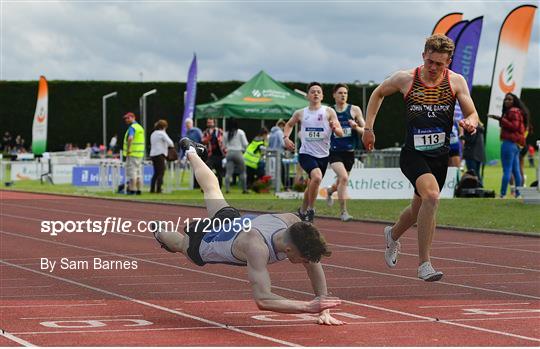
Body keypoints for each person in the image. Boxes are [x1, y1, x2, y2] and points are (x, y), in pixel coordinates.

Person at [152, 137, 343, 325]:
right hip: (207, 241)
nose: (307, 263)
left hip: (233, 223)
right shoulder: (256, 247)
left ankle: (192, 152)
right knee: (180, 245)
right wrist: (309, 307)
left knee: (213, 190)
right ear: (290, 249)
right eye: (304, 259)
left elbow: (314, 263)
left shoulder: (292, 221)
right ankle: (159, 230)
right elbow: (263, 299)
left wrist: (324, 305)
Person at [362, 34, 479, 281]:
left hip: (440, 155)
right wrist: (368, 128)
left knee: (419, 209)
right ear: (423, 56)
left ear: (448, 62)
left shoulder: (456, 82)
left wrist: (470, 122)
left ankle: (392, 235)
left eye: (440, 64)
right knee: (432, 196)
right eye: (431, 62)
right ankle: (424, 264)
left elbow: (473, 113)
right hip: (413, 154)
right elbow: (377, 93)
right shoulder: (406, 79)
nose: (434, 68)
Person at [284, 82, 343, 223]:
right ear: (308, 96)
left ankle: (302, 211)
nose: (315, 93)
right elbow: (289, 125)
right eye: (312, 91)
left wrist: (334, 128)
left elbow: (340, 133)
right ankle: (311, 209)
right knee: (316, 177)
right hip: (306, 153)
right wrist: (286, 138)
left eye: (318, 91)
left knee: (312, 184)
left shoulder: (329, 112)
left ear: (322, 95)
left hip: (323, 155)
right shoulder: (301, 113)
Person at [325, 83, 365, 222]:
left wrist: (355, 126)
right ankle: (343, 212)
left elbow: (365, 130)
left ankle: (330, 191)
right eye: (340, 93)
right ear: (334, 95)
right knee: (344, 178)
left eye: (345, 93)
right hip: (334, 151)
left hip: (349, 152)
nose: (343, 95)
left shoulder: (354, 110)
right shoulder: (329, 111)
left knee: (342, 181)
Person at [488, 93, 528, 198]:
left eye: (509, 99)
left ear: (514, 101)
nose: (507, 101)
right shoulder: (519, 112)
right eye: (505, 99)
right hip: (516, 145)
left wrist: (500, 119)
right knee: (516, 171)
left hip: (509, 143)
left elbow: (514, 126)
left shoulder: (512, 112)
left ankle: (502, 194)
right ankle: (518, 194)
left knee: (507, 170)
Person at [123, 112, 145, 195]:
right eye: (125, 118)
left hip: (132, 153)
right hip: (140, 153)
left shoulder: (132, 127)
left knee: (132, 172)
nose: (126, 120)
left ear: (133, 117)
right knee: (138, 172)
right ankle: (139, 190)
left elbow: (130, 138)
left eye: (128, 118)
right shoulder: (140, 127)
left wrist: (128, 149)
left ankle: (132, 189)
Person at [223, 118, 248, 193]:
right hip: (238, 153)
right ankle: (244, 189)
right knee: (242, 172)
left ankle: (227, 189)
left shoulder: (226, 133)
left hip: (229, 153)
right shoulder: (240, 132)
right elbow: (245, 144)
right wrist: (243, 150)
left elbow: (224, 145)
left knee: (228, 172)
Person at [150, 119, 174, 193]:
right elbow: (171, 143)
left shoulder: (153, 133)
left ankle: (152, 189)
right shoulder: (162, 133)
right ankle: (159, 189)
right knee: (161, 172)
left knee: (156, 173)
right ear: (164, 126)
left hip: (153, 154)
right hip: (160, 154)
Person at [202, 118, 226, 187]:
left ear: (214, 123)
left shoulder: (220, 131)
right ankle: (207, 185)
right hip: (210, 155)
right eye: (208, 122)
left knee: (219, 172)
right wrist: (208, 138)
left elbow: (224, 140)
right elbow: (203, 141)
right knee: (207, 169)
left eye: (211, 122)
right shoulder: (205, 132)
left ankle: (219, 187)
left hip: (219, 155)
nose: (209, 124)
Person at [461, 121, 486, 186]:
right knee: (477, 173)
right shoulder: (479, 127)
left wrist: (462, 137)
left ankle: (477, 188)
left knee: (472, 173)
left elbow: (471, 139)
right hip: (479, 154)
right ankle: (480, 187)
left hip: (471, 154)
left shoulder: (472, 126)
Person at [268, 119, 288, 188]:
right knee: (282, 171)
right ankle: (285, 187)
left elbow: (268, 144)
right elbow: (283, 143)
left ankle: (272, 185)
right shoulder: (279, 132)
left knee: (273, 171)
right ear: (281, 125)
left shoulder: (271, 133)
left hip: (271, 154)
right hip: (279, 154)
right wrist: (289, 146)